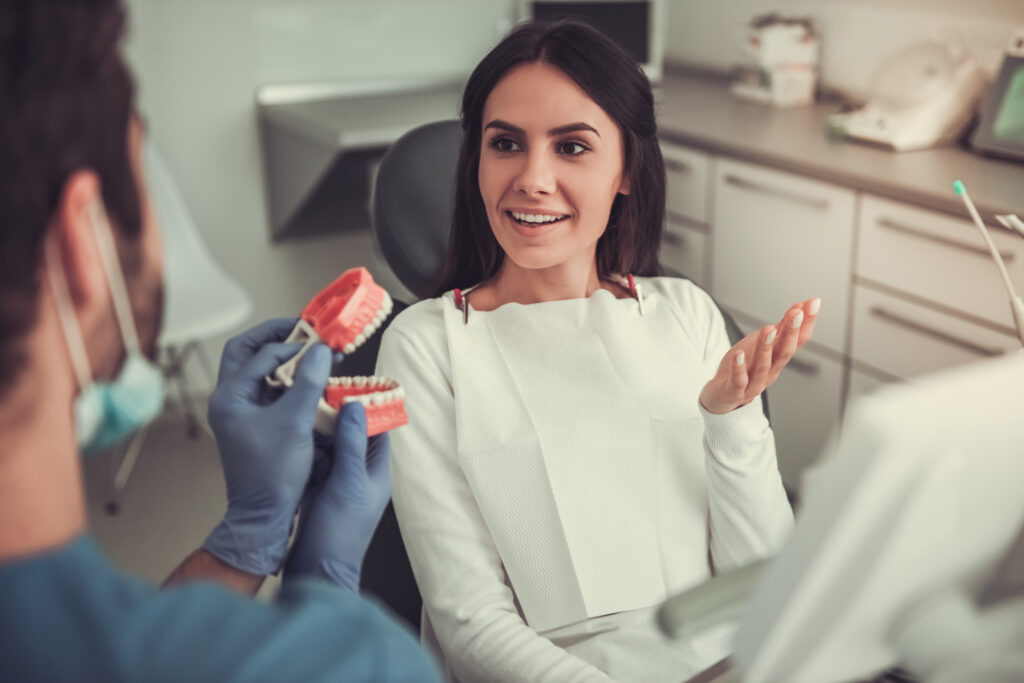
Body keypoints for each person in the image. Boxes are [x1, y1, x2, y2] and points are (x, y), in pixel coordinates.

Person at [0, 1, 439, 680]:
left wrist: (247, 541)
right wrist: (324, 600)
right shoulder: (362, 664)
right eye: (144, 172)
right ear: (82, 245)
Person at [375, 20, 820, 683]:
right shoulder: (426, 345)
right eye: (506, 144)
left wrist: (731, 420)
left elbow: (761, 578)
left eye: (573, 147)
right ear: (477, 164)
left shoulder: (687, 314)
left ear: (627, 172)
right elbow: (469, 620)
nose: (533, 178)